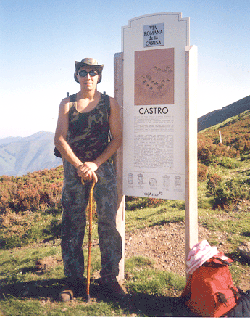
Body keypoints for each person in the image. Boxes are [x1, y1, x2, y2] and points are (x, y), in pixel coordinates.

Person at [54, 58, 125, 301]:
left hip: (102, 169)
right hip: (74, 171)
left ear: (99, 76)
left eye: (93, 73)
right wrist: (79, 165)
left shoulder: (110, 104)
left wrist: (95, 163)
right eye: (83, 72)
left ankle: (109, 279)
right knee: (72, 224)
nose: (88, 77)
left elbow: (117, 138)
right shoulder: (67, 104)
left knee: (107, 223)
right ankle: (73, 281)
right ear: (76, 76)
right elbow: (60, 139)